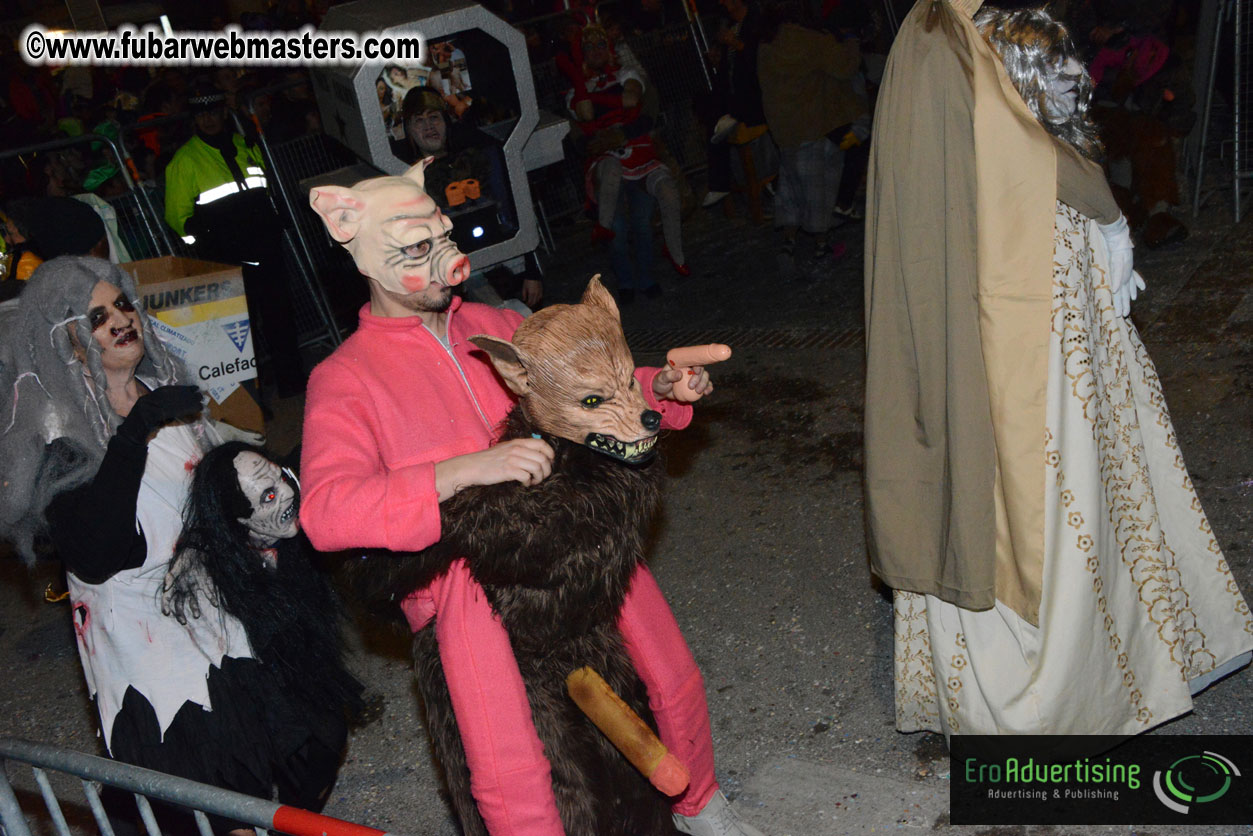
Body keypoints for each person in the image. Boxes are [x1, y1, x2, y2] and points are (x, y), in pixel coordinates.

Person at [304, 162, 764, 836]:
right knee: (506, 754)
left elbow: (578, 388)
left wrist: (658, 390)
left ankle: (701, 805)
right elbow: (325, 512)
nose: (446, 264)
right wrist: (460, 471)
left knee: (670, 673)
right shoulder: (345, 378)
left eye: (444, 239)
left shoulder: (491, 321)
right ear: (359, 251)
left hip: (575, 530)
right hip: (466, 576)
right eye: (415, 250)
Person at [866, 1, 1253, 738]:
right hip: (1008, 311)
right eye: (1058, 70)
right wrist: (1106, 215)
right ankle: (1047, 690)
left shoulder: (952, 29)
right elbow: (1016, 152)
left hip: (1027, 291)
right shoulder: (941, 34)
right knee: (1033, 485)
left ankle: (1131, 645)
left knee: (1087, 461)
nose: (1076, 79)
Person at [0, 257, 356, 831]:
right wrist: (136, 428)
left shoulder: (164, 388)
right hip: (143, 628)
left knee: (311, 727)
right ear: (65, 338)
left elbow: (217, 491)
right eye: (97, 316)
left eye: (122, 305)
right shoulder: (55, 433)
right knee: (205, 766)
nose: (120, 320)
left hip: (216, 594)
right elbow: (95, 551)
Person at [163, 81, 304, 399]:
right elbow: (176, 216)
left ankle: (291, 383)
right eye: (201, 115)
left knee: (279, 317)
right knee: (238, 333)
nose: (208, 120)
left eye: (213, 112)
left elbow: (267, 190)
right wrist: (204, 240)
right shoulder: (184, 162)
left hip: (265, 248)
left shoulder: (247, 145)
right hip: (224, 258)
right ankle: (251, 401)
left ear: (224, 112)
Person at [564, 22, 690, 294]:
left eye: (601, 45)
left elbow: (637, 100)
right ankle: (625, 282)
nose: (596, 51)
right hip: (607, 164)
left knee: (643, 223)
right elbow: (583, 117)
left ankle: (648, 277)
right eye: (589, 48)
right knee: (617, 229)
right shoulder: (576, 91)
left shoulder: (627, 73)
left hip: (640, 156)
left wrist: (612, 120)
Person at [400, 86, 542, 314]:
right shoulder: (405, 178)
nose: (429, 126)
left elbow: (513, 211)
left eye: (434, 117)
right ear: (409, 130)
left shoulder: (477, 158)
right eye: (419, 120)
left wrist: (532, 271)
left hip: (498, 261)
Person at [756, 0, 863, 263]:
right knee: (818, 187)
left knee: (791, 188)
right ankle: (821, 245)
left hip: (784, 129)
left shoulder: (767, 44)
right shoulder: (811, 41)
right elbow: (845, 66)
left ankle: (789, 242)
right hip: (812, 125)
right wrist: (852, 40)